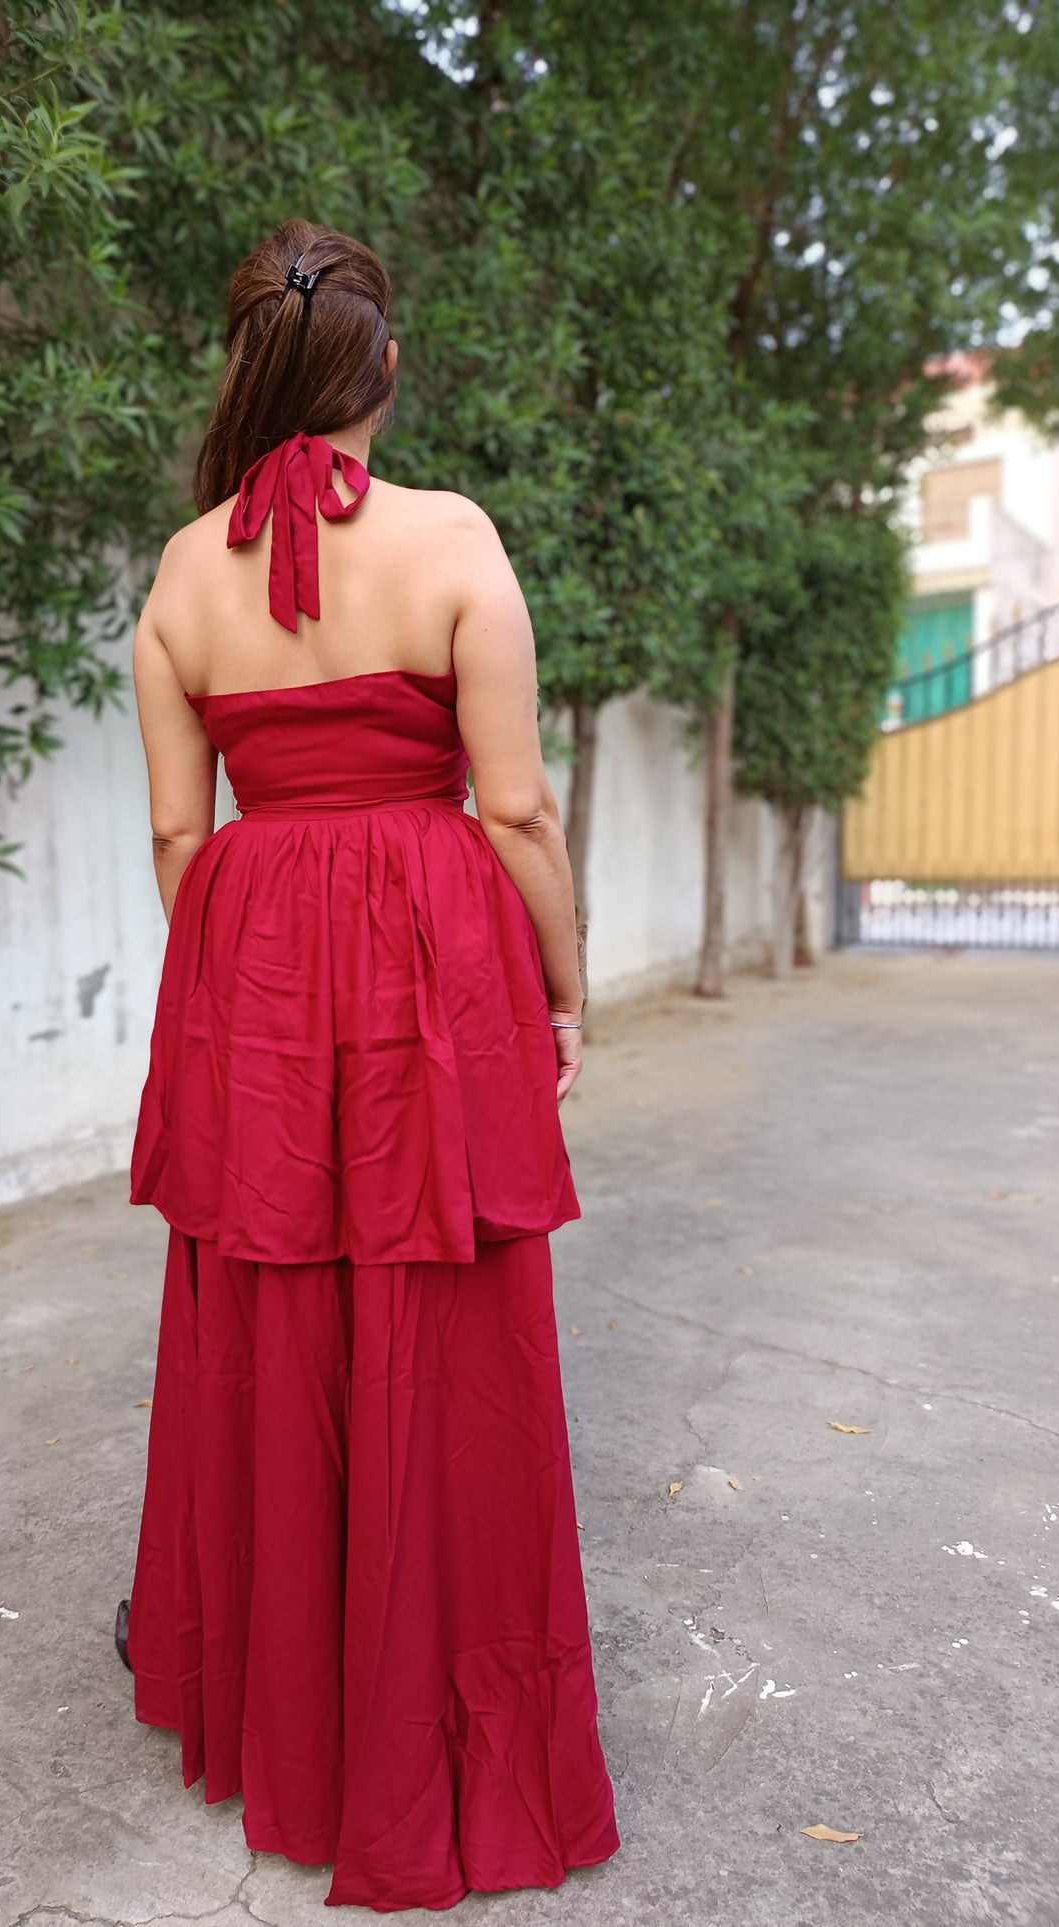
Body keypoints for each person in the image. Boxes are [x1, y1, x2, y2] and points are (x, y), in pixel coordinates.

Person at [120, 218, 620, 1912]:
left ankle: (291, 1724)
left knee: (271, 1330)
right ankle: (438, 1722)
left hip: (251, 967)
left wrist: (255, 987)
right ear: (381, 368)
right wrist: (558, 988)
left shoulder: (180, 579)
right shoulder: (454, 539)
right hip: (432, 966)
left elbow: (182, 837)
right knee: (442, 1325)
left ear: (246, 364)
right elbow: (516, 808)